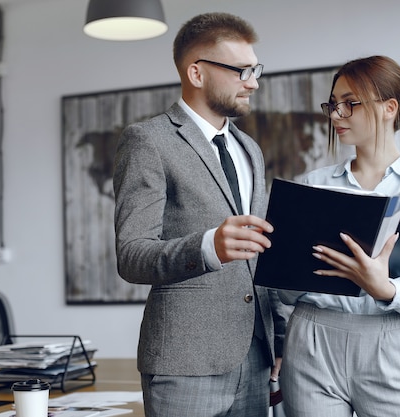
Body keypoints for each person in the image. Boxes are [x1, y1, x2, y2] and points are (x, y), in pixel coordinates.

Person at [112, 12, 288, 417]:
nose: (254, 82)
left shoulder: (250, 150)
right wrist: (209, 247)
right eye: (242, 70)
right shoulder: (148, 141)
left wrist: (279, 339)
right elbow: (132, 255)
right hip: (184, 362)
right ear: (196, 73)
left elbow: (263, 256)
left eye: (255, 69)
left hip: (256, 355)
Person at [278, 55, 400, 417]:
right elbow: (283, 290)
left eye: (350, 104)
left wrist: (386, 289)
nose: (335, 115)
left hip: (390, 338)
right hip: (311, 340)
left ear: (389, 108)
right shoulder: (314, 184)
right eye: (333, 104)